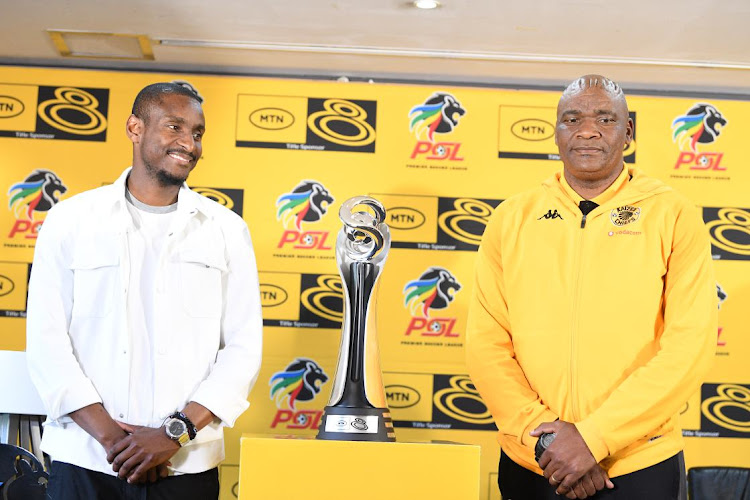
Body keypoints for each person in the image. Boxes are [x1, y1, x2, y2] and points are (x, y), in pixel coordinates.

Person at [466, 75, 716, 500]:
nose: (587, 130)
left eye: (605, 117)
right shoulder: (511, 218)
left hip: (637, 460)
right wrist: (544, 439)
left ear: (628, 132)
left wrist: (594, 438)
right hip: (534, 459)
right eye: (572, 118)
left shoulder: (673, 214)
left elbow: (689, 346)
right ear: (557, 131)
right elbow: (486, 344)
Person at [26, 82, 263, 499]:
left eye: (197, 132)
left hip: (186, 465)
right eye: (174, 127)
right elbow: (47, 341)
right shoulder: (70, 221)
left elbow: (244, 348)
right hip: (84, 460)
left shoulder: (226, 229)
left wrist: (174, 434)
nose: (189, 143)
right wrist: (117, 443)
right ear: (135, 128)